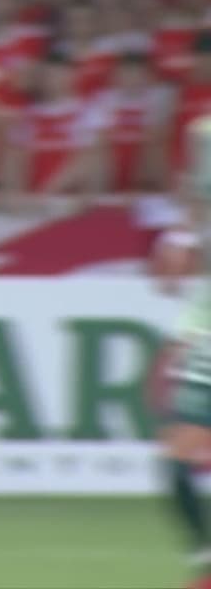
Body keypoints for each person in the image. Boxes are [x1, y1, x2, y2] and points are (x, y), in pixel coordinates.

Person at [151, 113, 211, 589]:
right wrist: (180, 238)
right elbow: (196, 205)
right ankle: (205, 559)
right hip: (206, 324)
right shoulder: (204, 134)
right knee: (177, 458)